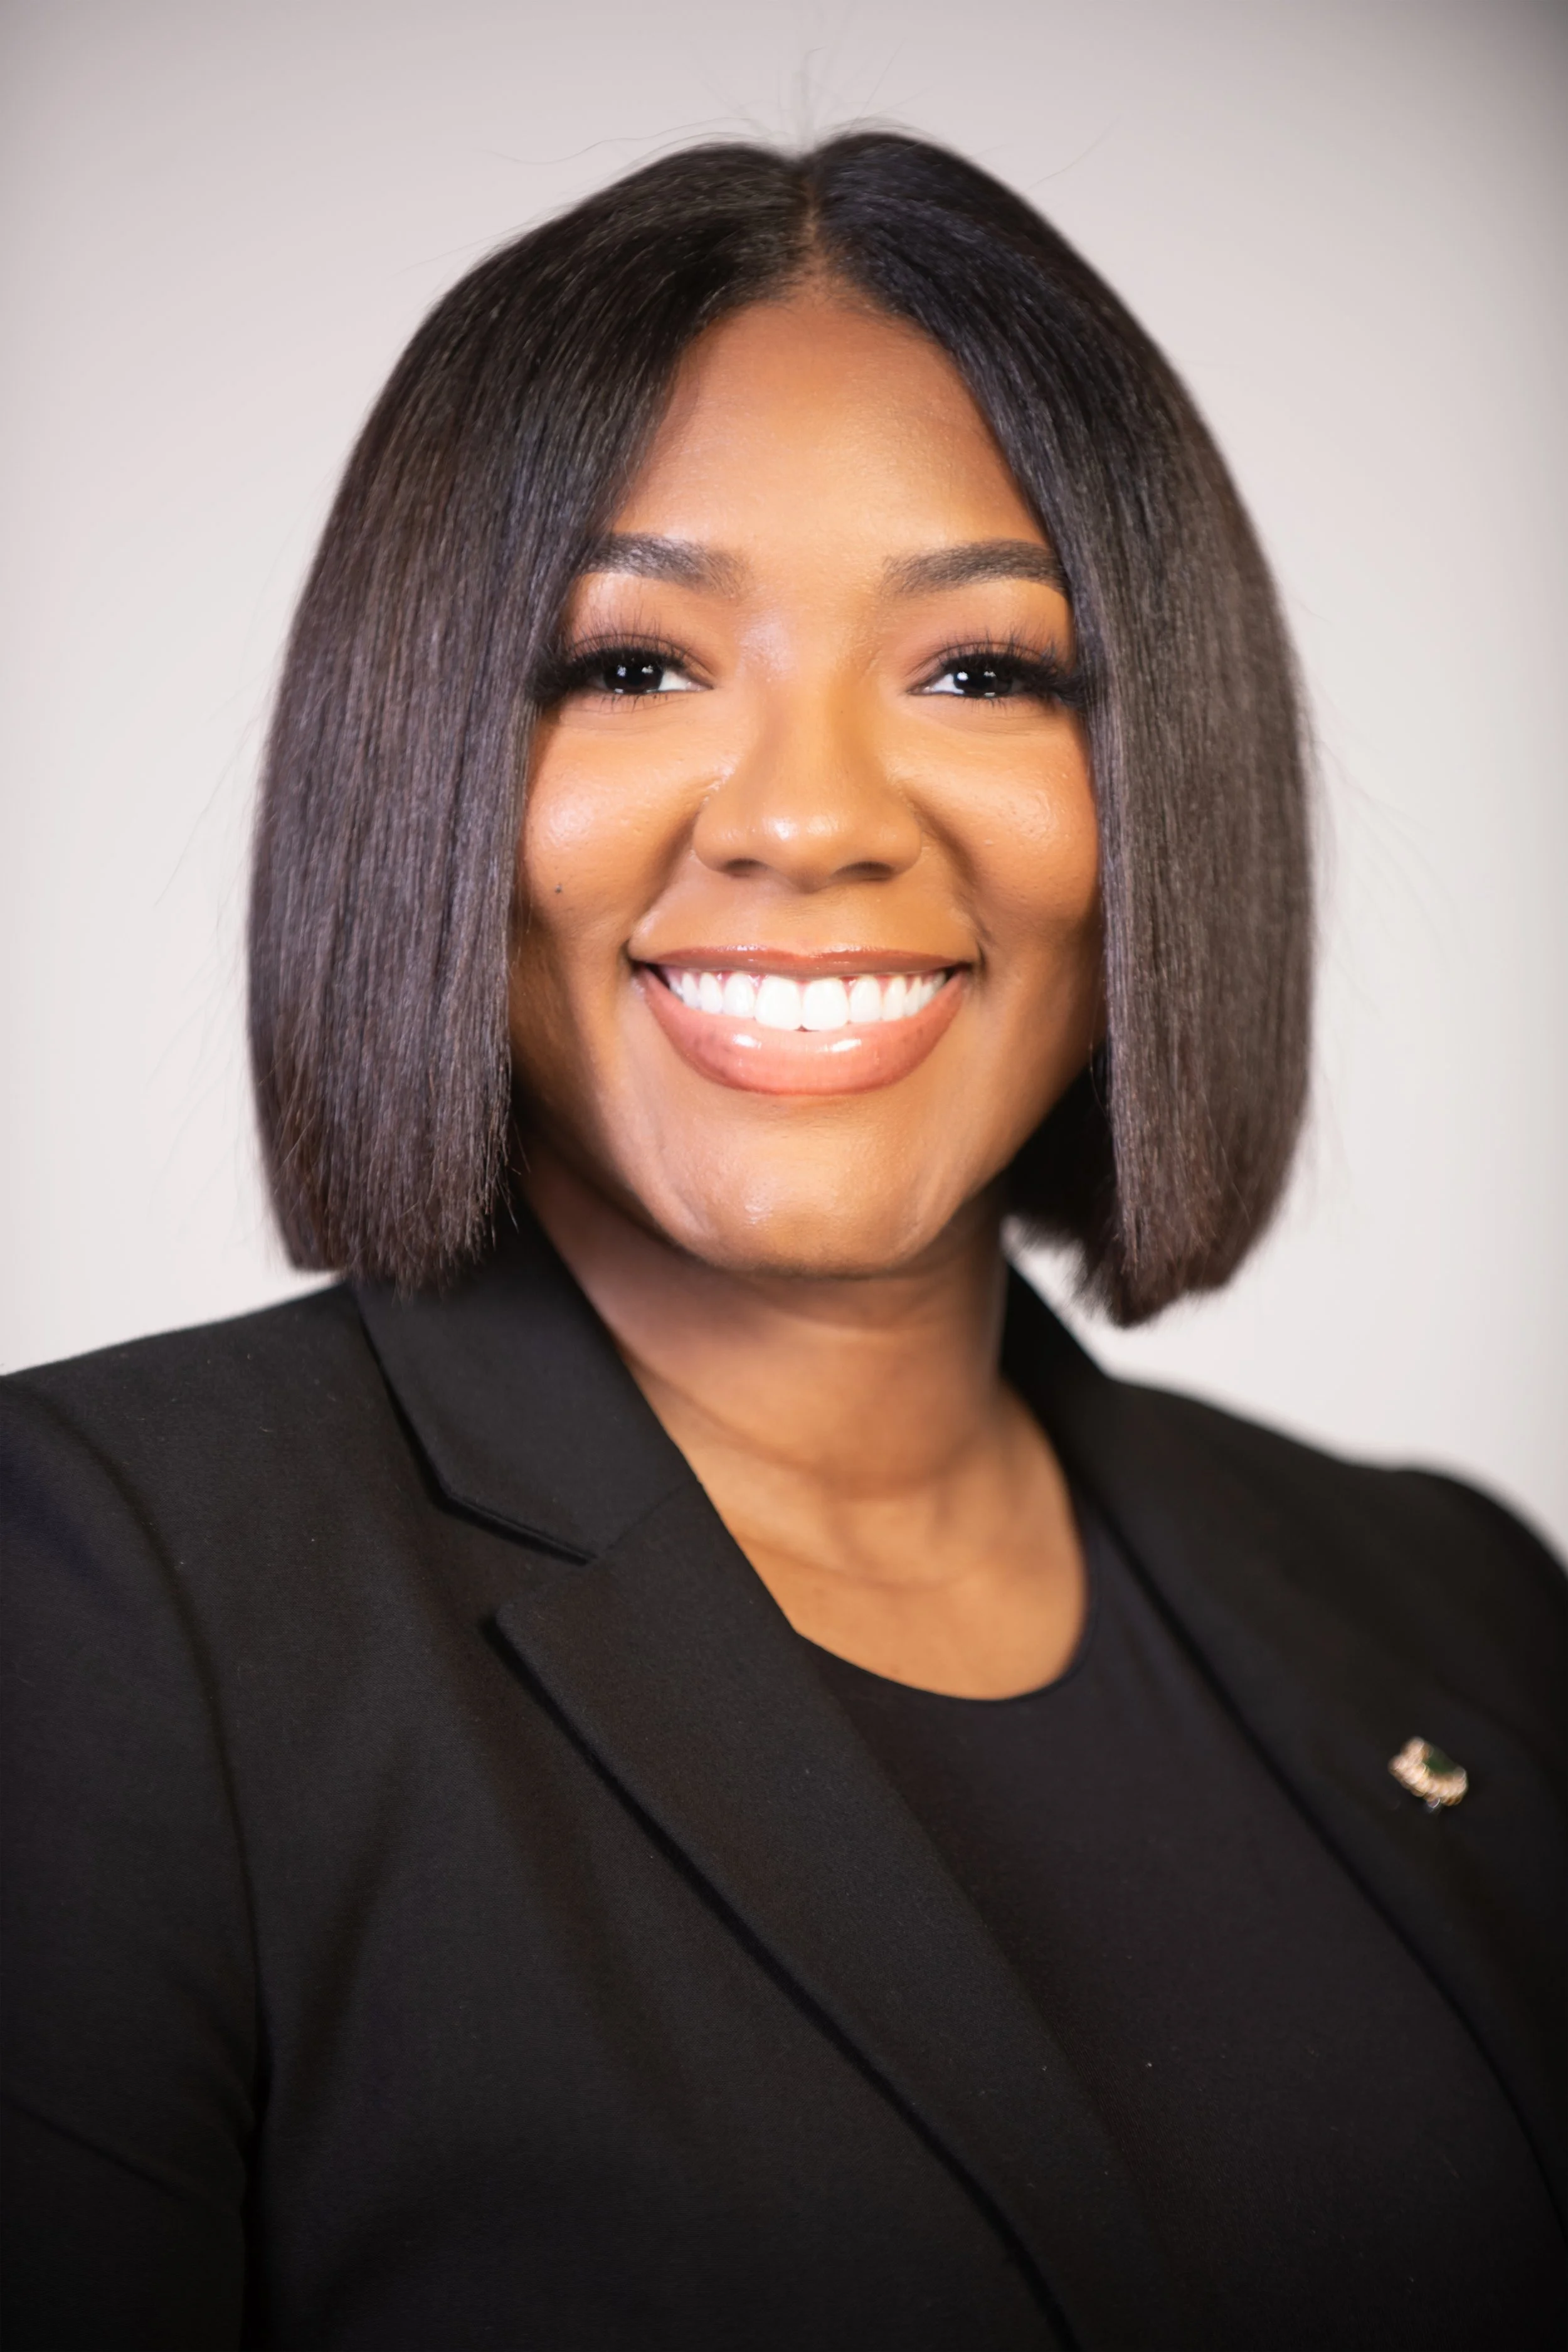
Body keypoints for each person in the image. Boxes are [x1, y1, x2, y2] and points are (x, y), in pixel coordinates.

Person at [1, 133, 1562, 2352]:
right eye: (633, 665)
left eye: (979, 673)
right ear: (422, 759)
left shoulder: (1457, 1604)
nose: (813, 816)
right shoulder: (90, 1606)